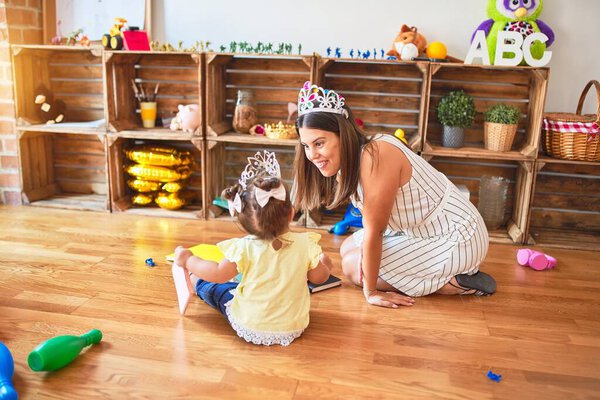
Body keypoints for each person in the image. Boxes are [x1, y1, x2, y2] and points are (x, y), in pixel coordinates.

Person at [293, 81, 496, 309]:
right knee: (347, 247)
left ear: (343, 134)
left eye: (319, 143)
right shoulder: (354, 159)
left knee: (352, 267)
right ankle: (437, 277)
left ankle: (454, 283)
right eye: (306, 146)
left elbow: (375, 231)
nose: (312, 155)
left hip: (459, 235)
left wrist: (371, 291)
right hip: (419, 231)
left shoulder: (375, 155)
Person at [174, 151, 332, 346]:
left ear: (244, 220)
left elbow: (217, 273)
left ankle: (197, 283)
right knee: (236, 286)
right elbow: (319, 278)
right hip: (293, 325)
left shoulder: (243, 248)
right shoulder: (305, 244)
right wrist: (324, 263)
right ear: (291, 214)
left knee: (218, 289)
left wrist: (188, 259)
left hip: (250, 323)